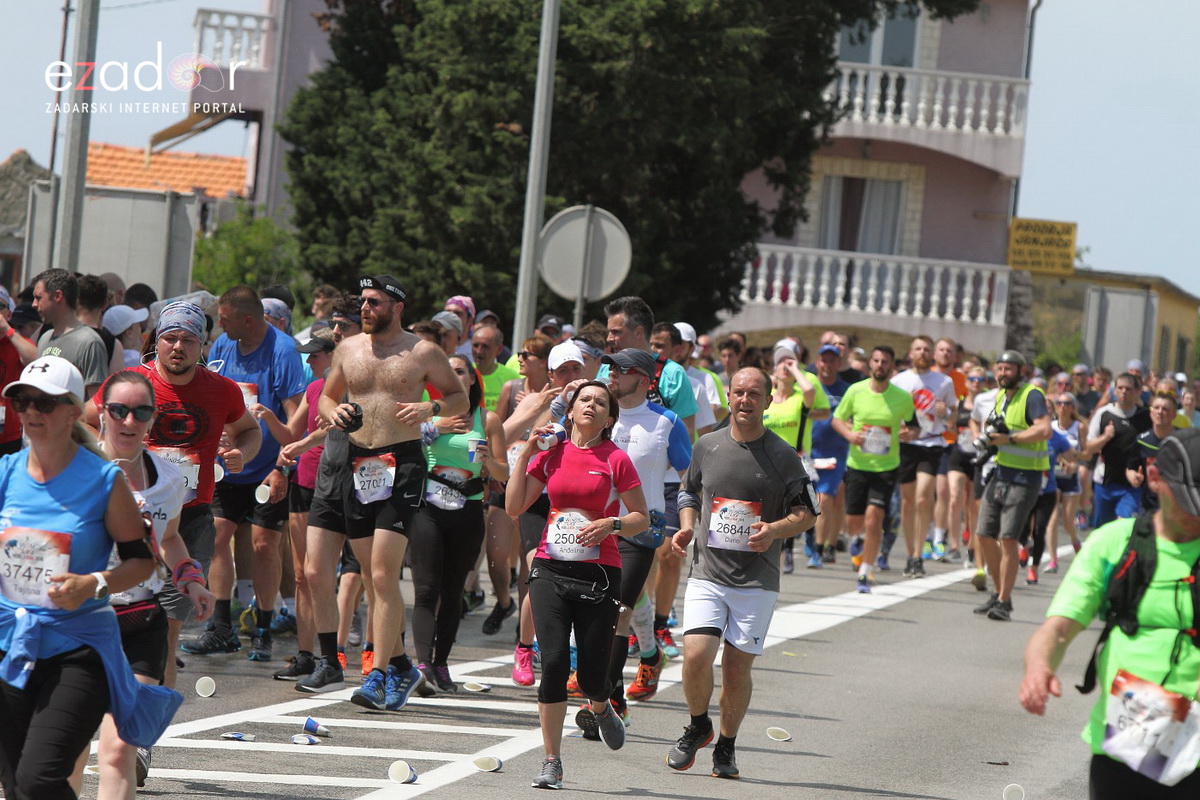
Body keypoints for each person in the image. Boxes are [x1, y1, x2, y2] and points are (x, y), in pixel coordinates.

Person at [0, 357, 181, 800]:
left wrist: (93, 584)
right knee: (14, 784)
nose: (31, 411)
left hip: (78, 649)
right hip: (12, 645)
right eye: (23, 400)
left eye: (45, 402)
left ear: (73, 410)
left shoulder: (103, 480)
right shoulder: (6, 474)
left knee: (38, 780)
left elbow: (143, 562)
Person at [1019, 428, 1200, 798]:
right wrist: (1039, 667)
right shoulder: (1115, 542)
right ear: (1154, 478)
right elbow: (1058, 629)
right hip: (1127, 742)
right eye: (1187, 499)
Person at [319, 275, 467, 710]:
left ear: (397, 307)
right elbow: (326, 399)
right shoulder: (347, 349)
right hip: (359, 462)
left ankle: (379, 674)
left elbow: (460, 398)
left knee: (383, 576)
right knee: (371, 577)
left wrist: (430, 407)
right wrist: (336, 409)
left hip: (402, 463)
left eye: (374, 302)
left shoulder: (422, 351)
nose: (365, 308)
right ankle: (402, 664)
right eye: (362, 301)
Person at [84, 302, 260, 667]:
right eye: (170, 338)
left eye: (188, 340)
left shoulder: (222, 390)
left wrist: (242, 453)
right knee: (115, 623)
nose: (178, 347)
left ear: (202, 345)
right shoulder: (132, 385)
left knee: (167, 629)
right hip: (126, 515)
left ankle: (149, 709)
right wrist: (107, 458)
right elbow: (84, 423)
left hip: (190, 519)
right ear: (157, 342)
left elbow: (249, 429)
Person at [667, 368, 820, 779]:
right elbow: (687, 490)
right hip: (709, 574)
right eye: (738, 392)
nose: (745, 400)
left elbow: (807, 513)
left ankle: (726, 747)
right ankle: (699, 724)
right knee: (696, 655)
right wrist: (686, 523)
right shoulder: (707, 446)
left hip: (757, 581)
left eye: (755, 394)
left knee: (736, 669)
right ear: (729, 396)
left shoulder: (785, 456)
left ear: (769, 401)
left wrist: (774, 530)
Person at [506, 380, 649, 789]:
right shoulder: (553, 455)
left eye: (600, 402)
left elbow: (641, 516)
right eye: (584, 399)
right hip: (551, 569)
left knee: (589, 676)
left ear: (609, 417)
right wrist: (526, 456)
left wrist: (612, 523)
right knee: (552, 663)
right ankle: (552, 760)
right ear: (569, 411)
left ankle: (601, 706)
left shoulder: (616, 459)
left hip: (600, 573)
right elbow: (514, 506)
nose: (591, 405)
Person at [89, 370, 215, 795]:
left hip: (141, 622)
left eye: (140, 412)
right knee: (66, 754)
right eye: (119, 411)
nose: (129, 421)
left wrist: (191, 578)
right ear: (102, 412)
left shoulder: (168, 479)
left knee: (121, 746)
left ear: (152, 416)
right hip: (82, 626)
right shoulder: (79, 472)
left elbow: (172, 537)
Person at [202, 286, 308, 663]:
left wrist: (281, 468)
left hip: (267, 468)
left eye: (225, 318)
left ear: (248, 319)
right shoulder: (221, 348)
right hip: (227, 465)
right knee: (216, 538)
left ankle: (263, 627)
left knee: (264, 546)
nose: (220, 325)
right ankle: (220, 628)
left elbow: (297, 419)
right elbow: (212, 400)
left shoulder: (282, 351)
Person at [600, 348, 691, 716]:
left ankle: (613, 699)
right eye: (610, 367)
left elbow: (689, 481)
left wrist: (687, 524)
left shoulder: (667, 423)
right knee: (609, 606)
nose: (611, 374)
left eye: (620, 370)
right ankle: (650, 655)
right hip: (596, 527)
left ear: (643, 379)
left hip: (641, 529)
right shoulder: (599, 415)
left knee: (617, 609)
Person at [410, 354, 506, 692]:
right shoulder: (424, 414)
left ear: (471, 381)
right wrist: (435, 426)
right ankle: (422, 665)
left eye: (460, 371)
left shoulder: (487, 419)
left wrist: (488, 462)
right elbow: (398, 442)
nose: (452, 375)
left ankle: (441, 663)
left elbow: (504, 473)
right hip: (428, 508)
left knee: (452, 594)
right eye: (447, 371)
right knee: (425, 589)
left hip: (468, 510)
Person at [973, 350, 1052, 622]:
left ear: (1021, 371)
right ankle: (997, 593)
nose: (1003, 373)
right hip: (1001, 472)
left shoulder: (1032, 395)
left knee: (1007, 538)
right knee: (984, 534)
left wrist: (1011, 439)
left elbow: (1044, 430)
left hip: (1026, 477)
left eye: (1009, 369)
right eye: (1000, 368)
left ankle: (1005, 602)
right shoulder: (999, 395)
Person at [831, 346, 917, 592]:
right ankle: (856, 540)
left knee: (875, 518)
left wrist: (908, 433)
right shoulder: (855, 391)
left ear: (891, 366)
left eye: (885, 362)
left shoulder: (902, 397)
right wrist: (850, 435)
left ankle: (866, 571)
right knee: (854, 522)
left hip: (887, 467)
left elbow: (914, 427)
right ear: (870, 364)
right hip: (857, 465)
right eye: (876, 360)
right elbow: (837, 419)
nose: (880, 365)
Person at [890, 335, 956, 575]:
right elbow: (890, 413)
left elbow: (953, 417)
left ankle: (919, 552)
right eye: (918, 348)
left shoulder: (944, 382)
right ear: (910, 353)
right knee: (907, 503)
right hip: (906, 445)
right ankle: (910, 554)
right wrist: (899, 430)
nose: (923, 353)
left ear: (932, 354)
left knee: (922, 497)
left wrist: (946, 411)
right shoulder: (898, 381)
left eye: (927, 349)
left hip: (931, 444)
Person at [1085, 372, 1151, 528]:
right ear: (1114, 391)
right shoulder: (1104, 414)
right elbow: (1088, 448)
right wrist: (1105, 437)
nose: (1123, 392)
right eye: (1120, 388)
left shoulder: (1145, 417)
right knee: (1102, 530)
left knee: (1124, 527)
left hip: (1132, 485)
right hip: (1105, 482)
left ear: (1137, 392)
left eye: (1128, 389)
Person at [30, 269, 108, 397]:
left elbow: (95, 402)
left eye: (39, 298)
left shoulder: (89, 342)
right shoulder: (45, 338)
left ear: (58, 296)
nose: (34, 304)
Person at [809, 343, 851, 563]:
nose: (827, 364)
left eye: (832, 360)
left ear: (839, 363)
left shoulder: (846, 390)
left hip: (836, 452)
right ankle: (819, 540)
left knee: (826, 499)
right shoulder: (809, 388)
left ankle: (823, 546)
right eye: (824, 360)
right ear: (817, 362)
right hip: (810, 451)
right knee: (813, 500)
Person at [1047, 389, 1086, 572]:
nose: (1062, 407)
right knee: (1052, 519)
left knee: (1068, 520)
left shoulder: (1079, 427)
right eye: (1059, 404)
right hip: (1053, 475)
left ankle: (1074, 540)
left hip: (1071, 477)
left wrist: (1073, 462)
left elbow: (1086, 453)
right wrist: (1059, 460)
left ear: (1072, 407)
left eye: (1066, 404)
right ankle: (1053, 560)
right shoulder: (1051, 426)